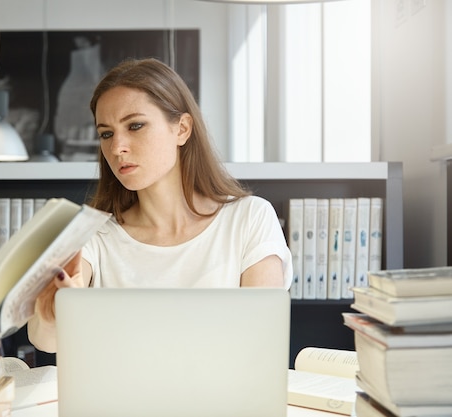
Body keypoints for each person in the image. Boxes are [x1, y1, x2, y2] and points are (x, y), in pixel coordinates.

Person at [28, 57, 292, 353]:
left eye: (136, 125)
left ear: (182, 129)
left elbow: (262, 341)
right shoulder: (95, 235)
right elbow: (44, 340)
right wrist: (51, 315)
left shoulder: (250, 219)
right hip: (119, 399)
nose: (117, 148)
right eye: (106, 134)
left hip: (222, 399)